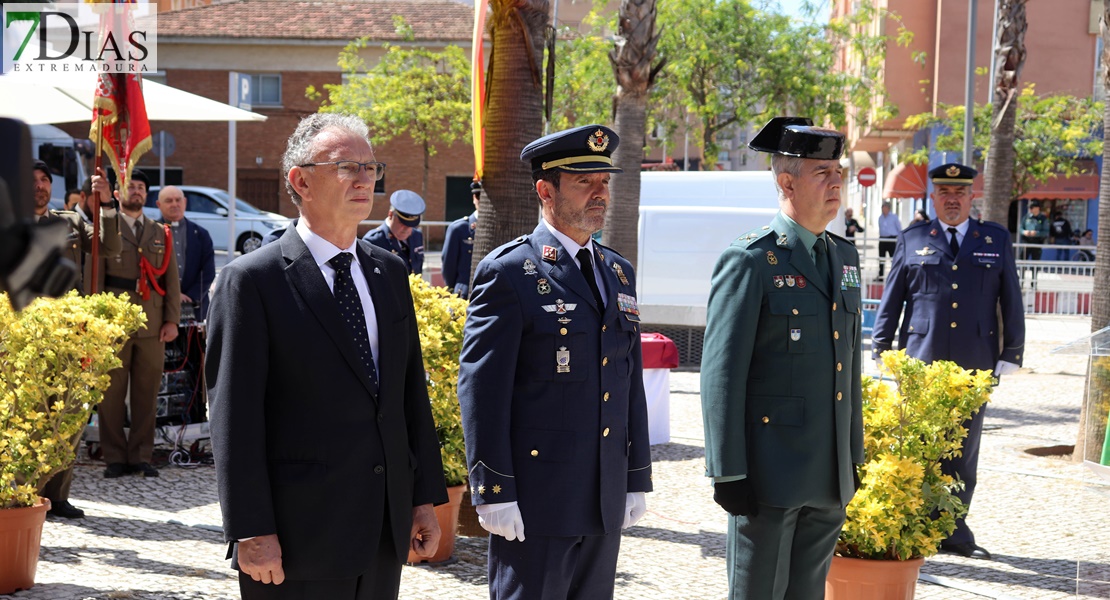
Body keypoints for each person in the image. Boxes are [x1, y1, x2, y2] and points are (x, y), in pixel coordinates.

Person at [206, 113, 447, 599]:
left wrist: (423, 499)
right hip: (297, 538)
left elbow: (407, 396)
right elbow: (234, 417)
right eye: (346, 166)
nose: (365, 179)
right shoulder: (253, 281)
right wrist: (251, 529)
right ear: (301, 180)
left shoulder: (389, 272)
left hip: (382, 527)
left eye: (371, 167)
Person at [457, 124, 652, 600]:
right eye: (585, 182)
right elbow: (482, 390)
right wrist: (494, 489)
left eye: (604, 182)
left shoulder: (616, 270)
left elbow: (629, 381)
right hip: (537, 500)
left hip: (602, 494)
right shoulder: (510, 272)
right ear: (546, 190)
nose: (600, 193)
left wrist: (635, 476)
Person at [700, 117, 863, 599]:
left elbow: (849, 367)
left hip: (828, 470)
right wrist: (728, 471)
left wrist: (852, 454)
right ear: (786, 181)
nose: (835, 183)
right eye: (821, 173)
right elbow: (721, 374)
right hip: (768, 475)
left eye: (838, 172)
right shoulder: (751, 259)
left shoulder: (845, 257)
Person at [871, 162, 1024, 560]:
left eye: (959, 194)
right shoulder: (913, 238)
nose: (952, 200)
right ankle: (915, 526)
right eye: (944, 193)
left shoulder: (994, 239)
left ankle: (953, 532)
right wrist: (881, 346)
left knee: (964, 449)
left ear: (972, 197)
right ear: (934, 198)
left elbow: (1011, 299)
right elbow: (892, 300)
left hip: (975, 362)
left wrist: (1012, 353)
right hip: (921, 360)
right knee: (921, 446)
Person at [32, 160, 122, 519]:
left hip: (68, 334)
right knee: (31, 413)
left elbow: (109, 246)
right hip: (23, 332)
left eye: (44, 180)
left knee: (68, 413)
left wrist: (108, 204)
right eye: (31, 180)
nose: (39, 186)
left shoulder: (69, 221)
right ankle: (26, 491)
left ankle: (57, 494)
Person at [92, 168, 181, 479]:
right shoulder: (108, 228)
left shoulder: (161, 232)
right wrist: (95, 320)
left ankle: (141, 455)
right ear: (118, 193)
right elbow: (98, 277)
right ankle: (114, 456)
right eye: (131, 186)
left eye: (142, 187)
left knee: (147, 393)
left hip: (152, 323)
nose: (137, 192)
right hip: (115, 322)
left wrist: (172, 320)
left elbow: (172, 280)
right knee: (112, 394)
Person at [156, 185, 216, 320]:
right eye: (169, 201)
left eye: (178, 200)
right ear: (159, 205)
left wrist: (191, 296)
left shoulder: (201, 234)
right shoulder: (152, 232)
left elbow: (208, 271)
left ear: (185, 202)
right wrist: (173, 295)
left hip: (195, 306)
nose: (174, 204)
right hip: (160, 306)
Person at [363, 190, 425, 275]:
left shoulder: (417, 236)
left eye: (411, 225)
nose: (407, 229)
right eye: (403, 223)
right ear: (391, 214)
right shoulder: (373, 241)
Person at [441, 180, 480, 297]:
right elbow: (448, 266)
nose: (482, 201)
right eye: (479, 196)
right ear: (474, 198)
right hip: (463, 292)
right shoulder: (458, 228)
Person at [877, 201, 901, 279]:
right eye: (882, 207)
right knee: (881, 258)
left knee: (893, 258)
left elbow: (899, 228)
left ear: (888, 208)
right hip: (882, 239)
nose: (882, 209)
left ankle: (895, 275)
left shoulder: (894, 217)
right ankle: (881, 275)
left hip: (891, 239)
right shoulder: (880, 217)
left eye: (884, 207)